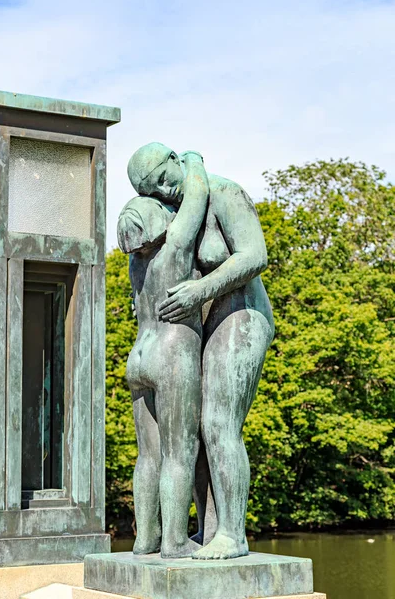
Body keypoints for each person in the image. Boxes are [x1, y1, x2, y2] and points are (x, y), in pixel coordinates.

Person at [128, 142, 275, 560]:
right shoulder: (174, 218)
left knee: (217, 422)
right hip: (200, 323)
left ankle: (233, 533)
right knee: (189, 428)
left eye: (163, 179)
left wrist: (201, 289)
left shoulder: (225, 194)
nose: (163, 192)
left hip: (240, 313)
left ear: (175, 161)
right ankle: (208, 529)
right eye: (152, 191)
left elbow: (255, 255)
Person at [118, 149, 209, 558]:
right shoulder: (173, 247)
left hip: (139, 356)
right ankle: (174, 541)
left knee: (147, 456)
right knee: (179, 450)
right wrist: (192, 160)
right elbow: (197, 195)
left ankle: (145, 538)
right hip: (173, 352)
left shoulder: (137, 264)